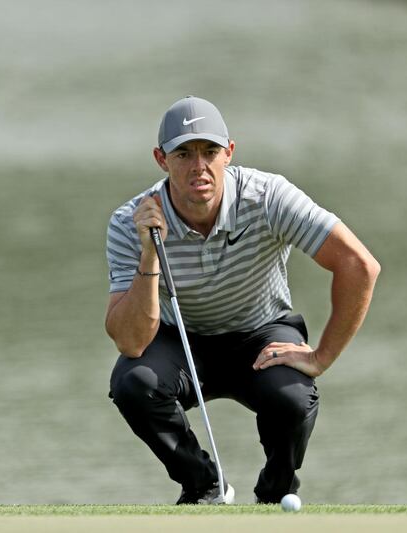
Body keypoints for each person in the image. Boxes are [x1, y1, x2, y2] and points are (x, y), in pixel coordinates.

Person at [105, 96, 380, 504]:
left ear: (229, 153)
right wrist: (150, 253)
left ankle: (274, 495)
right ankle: (203, 488)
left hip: (259, 332)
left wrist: (321, 357)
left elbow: (359, 266)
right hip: (180, 339)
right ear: (161, 159)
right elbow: (130, 342)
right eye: (184, 153)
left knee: (293, 398)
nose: (199, 166)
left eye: (210, 152)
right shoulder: (132, 222)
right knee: (133, 383)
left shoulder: (268, 197)